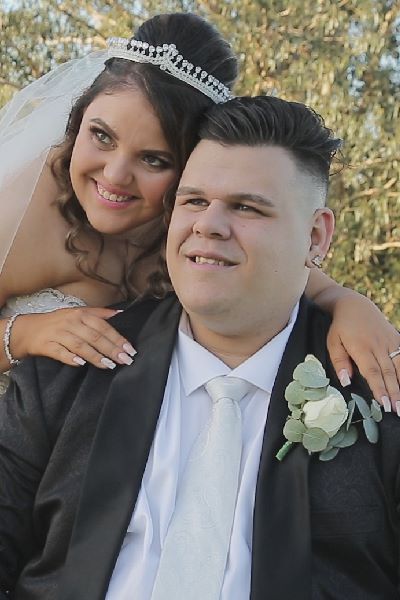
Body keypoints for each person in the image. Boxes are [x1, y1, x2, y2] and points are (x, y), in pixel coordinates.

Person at [1, 95, 399, 599]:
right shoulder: (67, 370)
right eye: (193, 201)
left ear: (316, 237)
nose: (208, 225)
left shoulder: (380, 393)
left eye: (246, 207)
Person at [0, 13, 399, 409]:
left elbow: (309, 279)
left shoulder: (196, 231)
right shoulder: (24, 207)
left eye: (154, 160)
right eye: (101, 135)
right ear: (77, 121)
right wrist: (23, 335)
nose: (116, 174)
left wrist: (354, 307)